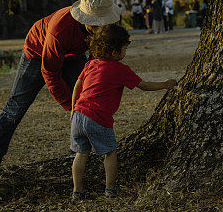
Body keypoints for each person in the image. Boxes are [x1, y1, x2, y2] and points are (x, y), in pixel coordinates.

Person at [0, 0, 121, 169]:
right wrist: (69, 106)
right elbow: (50, 74)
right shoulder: (60, 29)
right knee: (15, 108)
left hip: (73, 56)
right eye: (96, 24)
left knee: (85, 104)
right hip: (38, 53)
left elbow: (98, 57)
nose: (101, 28)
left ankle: (79, 155)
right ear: (85, 19)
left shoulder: (108, 25)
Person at [70, 23, 177, 201]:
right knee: (110, 153)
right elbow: (143, 86)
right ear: (114, 52)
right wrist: (165, 85)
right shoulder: (120, 70)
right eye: (124, 49)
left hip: (78, 115)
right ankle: (110, 190)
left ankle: (77, 191)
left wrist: (73, 110)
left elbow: (76, 87)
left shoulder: (90, 64)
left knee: (81, 154)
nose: (125, 53)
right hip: (97, 118)